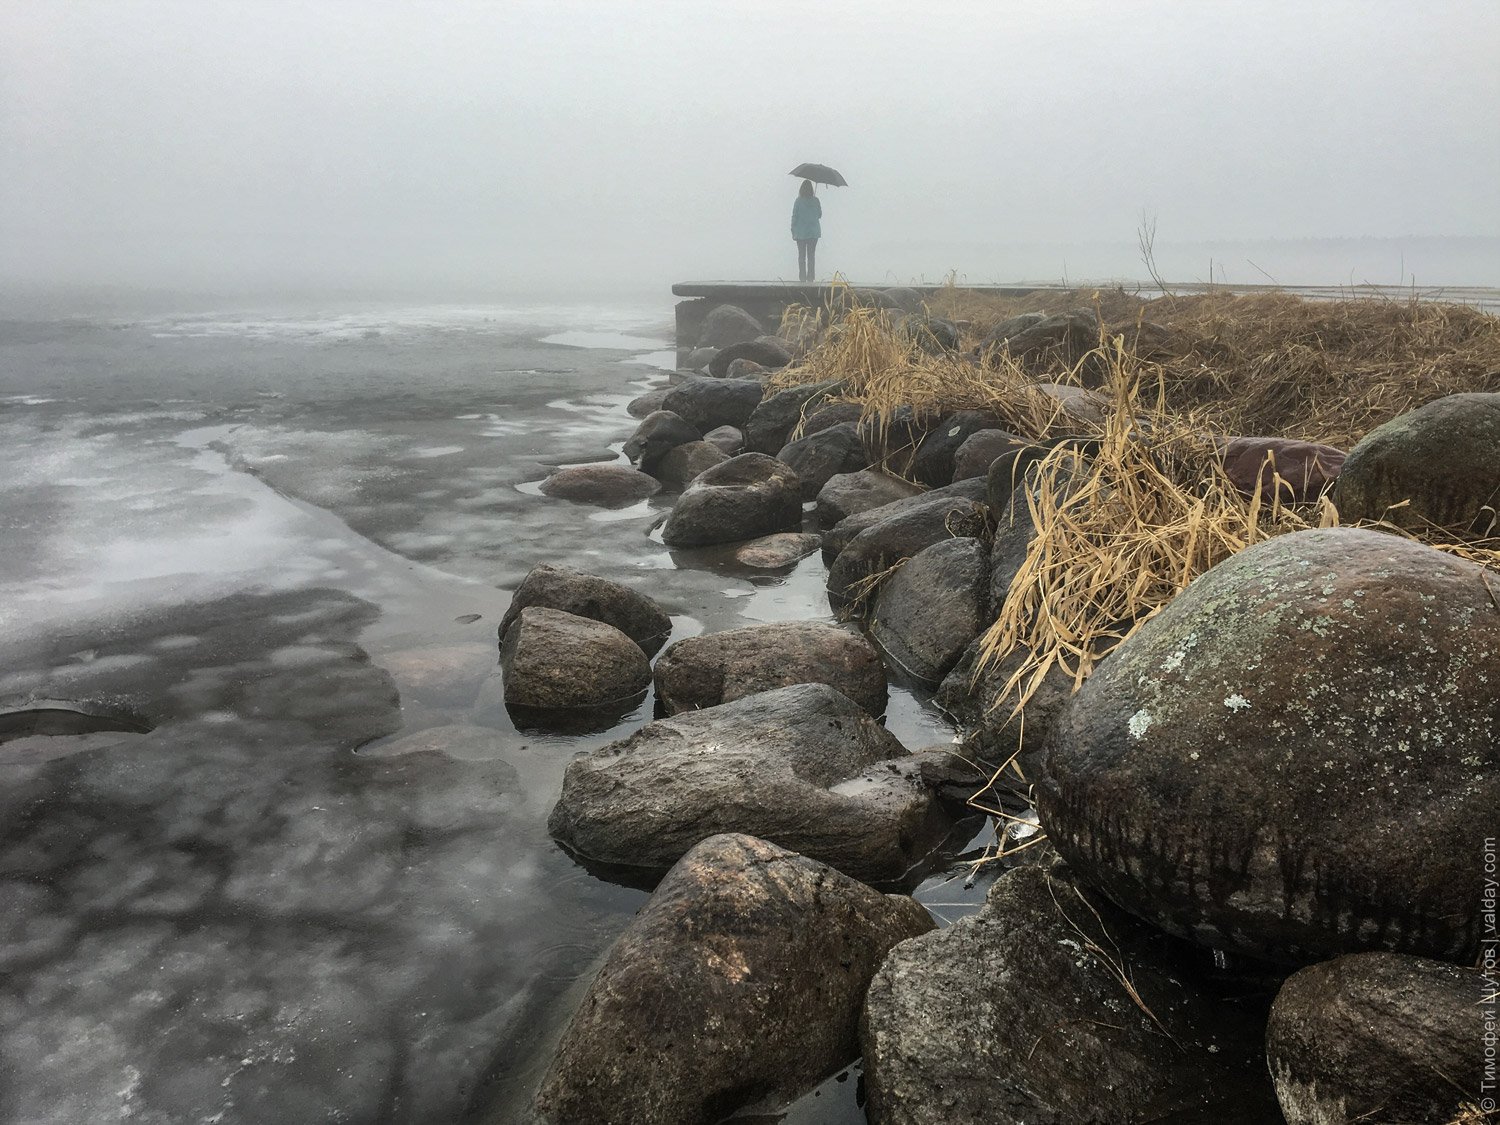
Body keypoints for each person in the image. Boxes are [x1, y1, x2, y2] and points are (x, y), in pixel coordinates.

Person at [790, 179, 822, 282]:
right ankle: (811, 278)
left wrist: (793, 229)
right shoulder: (816, 200)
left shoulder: (798, 201)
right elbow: (819, 215)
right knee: (811, 257)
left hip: (801, 233)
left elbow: (794, 216)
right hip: (813, 233)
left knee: (802, 257)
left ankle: (802, 278)